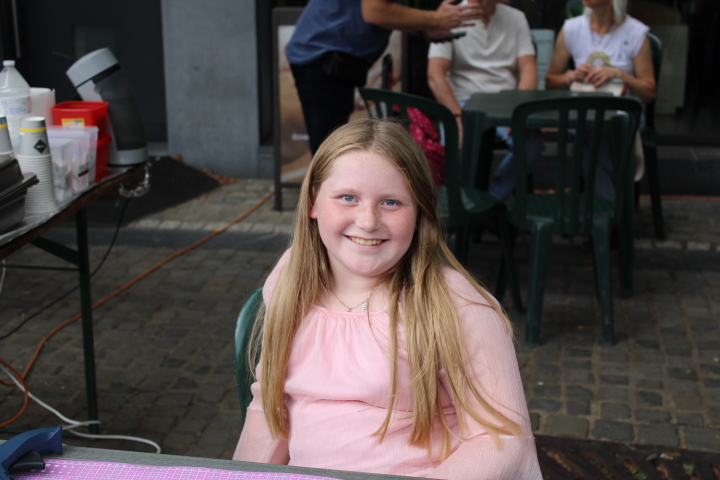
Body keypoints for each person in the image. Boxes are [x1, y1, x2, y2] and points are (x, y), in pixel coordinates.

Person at [233, 118, 542, 480]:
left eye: (391, 202)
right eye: (348, 198)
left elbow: (502, 439)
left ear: (420, 212)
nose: (368, 221)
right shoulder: (291, 280)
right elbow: (270, 406)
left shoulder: (454, 304)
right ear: (314, 202)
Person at [286, 0, 485, 155]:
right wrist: (436, 19)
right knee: (330, 151)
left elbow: (383, 10)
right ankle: (322, 196)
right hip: (322, 57)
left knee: (334, 148)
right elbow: (376, 11)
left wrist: (425, 27)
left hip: (332, 58)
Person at [426, 0, 544, 200]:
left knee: (531, 145)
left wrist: (519, 108)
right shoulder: (451, 16)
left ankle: (490, 201)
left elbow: (528, 67)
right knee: (456, 148)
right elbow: (435, 74)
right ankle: (465, 206)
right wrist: (456, 115)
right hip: (463, 102)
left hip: (506, 103)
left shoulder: (516, 17)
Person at [545, 0, 656, 200]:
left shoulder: (636, 32)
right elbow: (551, 82)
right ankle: (613, 207)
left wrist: (620, 75)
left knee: (586, 142)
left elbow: (649, 92)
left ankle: (605, 206)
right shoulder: (572, 29)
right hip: (584, 109)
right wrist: (572, 75)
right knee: (589, 129)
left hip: (622, 111)